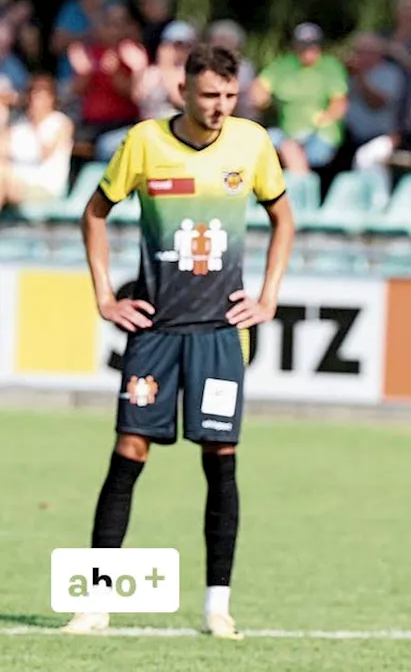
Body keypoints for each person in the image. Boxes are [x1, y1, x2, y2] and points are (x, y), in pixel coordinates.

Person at [61, 43, 296, 640]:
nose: (220, 107)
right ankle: (96, 601)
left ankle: (218, 606)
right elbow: (94, 213)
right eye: (209, 96)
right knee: (128, 455)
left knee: (221, 461)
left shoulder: (252, 144)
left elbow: (283, 218)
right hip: (155, 330)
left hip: (220, 334)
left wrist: (268, 296)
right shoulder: (143, 143)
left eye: (229, 95)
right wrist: (103, 296)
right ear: (183, 93)